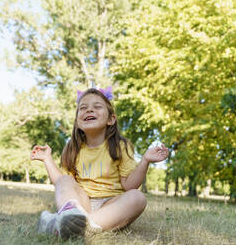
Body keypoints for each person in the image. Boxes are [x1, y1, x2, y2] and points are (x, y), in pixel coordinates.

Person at [30, 87, 169, 240]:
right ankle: (72, 218)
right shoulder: (72, 148)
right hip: (81, 205)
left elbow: (129, 186)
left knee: (138, 198)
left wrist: (145, 161)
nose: (89, 110)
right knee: (65, 180)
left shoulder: (121, 146)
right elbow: (61, 184)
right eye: (83, 108)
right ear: (77, 122)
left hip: (111, 207)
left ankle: (69, 226)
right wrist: (47, 160)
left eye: (97, 107)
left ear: (111, 119)